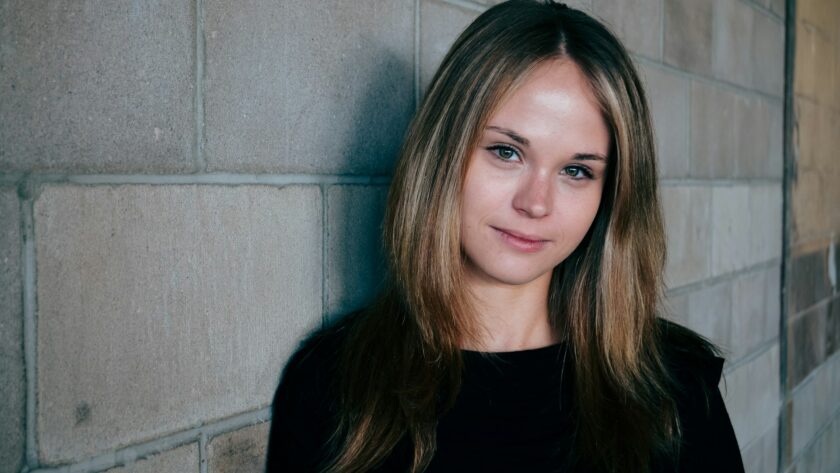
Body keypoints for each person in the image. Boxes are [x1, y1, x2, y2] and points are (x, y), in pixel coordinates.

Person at [265, 1, 745, 472]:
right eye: (506, 152)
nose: (536, 203)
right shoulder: (333, 383)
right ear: (443, 152)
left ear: (611, 194)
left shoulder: (673, 391)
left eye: (576, 170)